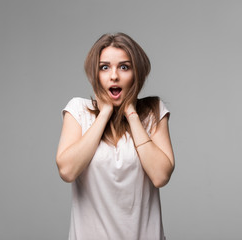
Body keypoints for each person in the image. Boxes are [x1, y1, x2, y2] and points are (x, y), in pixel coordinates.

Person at [56, 32, 175, 240]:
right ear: (96, 74)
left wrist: (131, 113)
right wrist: (104, 114)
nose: (114, 76)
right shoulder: (78, 110)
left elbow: (160, 175)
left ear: (136, 73)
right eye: (104, 67)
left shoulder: (153, 112)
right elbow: (67, 170)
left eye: (124, 67)